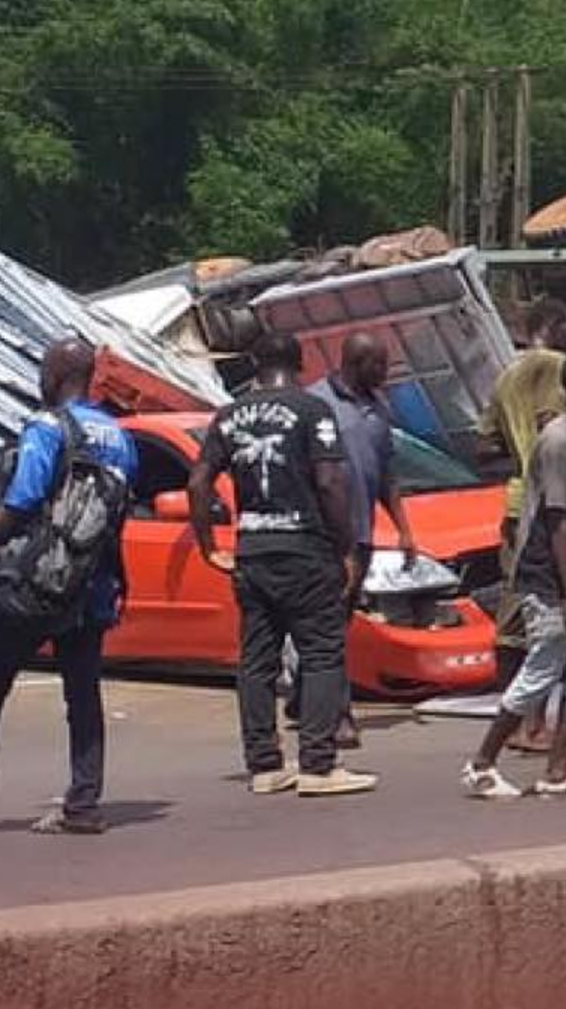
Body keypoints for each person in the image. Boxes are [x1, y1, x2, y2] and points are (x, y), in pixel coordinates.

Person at [0, 340, 138, 836]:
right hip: (91, 582)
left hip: (37, 582)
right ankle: (83, 804)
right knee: (83, 695)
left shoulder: (47, 426)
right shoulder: (118, 436)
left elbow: (21, 502)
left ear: (55, 373)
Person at [190, 333, 376, 798]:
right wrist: (347, 547)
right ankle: (318, 762)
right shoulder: (312, 411)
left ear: (255, 364)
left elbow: (198, 483)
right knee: (321, 654)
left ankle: (265, 765)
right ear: (300, 364)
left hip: (252, 550)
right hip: (305, 549)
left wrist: (208, 545)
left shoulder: (229, 416)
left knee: (257, 660)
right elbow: (331, 481)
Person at [462, 353, 566, 799]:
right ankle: (482, 763)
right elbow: (557, 519)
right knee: (541, 668)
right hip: (552, 581)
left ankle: (559, 770)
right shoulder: (557, 441)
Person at [296, 331, 417, 749]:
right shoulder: (316, 405)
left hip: (361, 535)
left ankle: (306, 697)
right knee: (329, 627)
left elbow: (386, 474)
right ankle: (337, 715)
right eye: (378, 365)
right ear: (355, 363)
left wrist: (403, 528)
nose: (384, 374)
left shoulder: (378, 407)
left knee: (338, 622)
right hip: (325, 536)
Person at [476, 299, 566, 751]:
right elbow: (556, 429)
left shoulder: (505, 375)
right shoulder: (558, 368)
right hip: (549, 502)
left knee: (515, 610)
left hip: (516, 500)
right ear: (552, 327)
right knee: (548, 611)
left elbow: (484, 446)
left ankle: (512, 714)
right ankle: (532, 723)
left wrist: (518, 456)